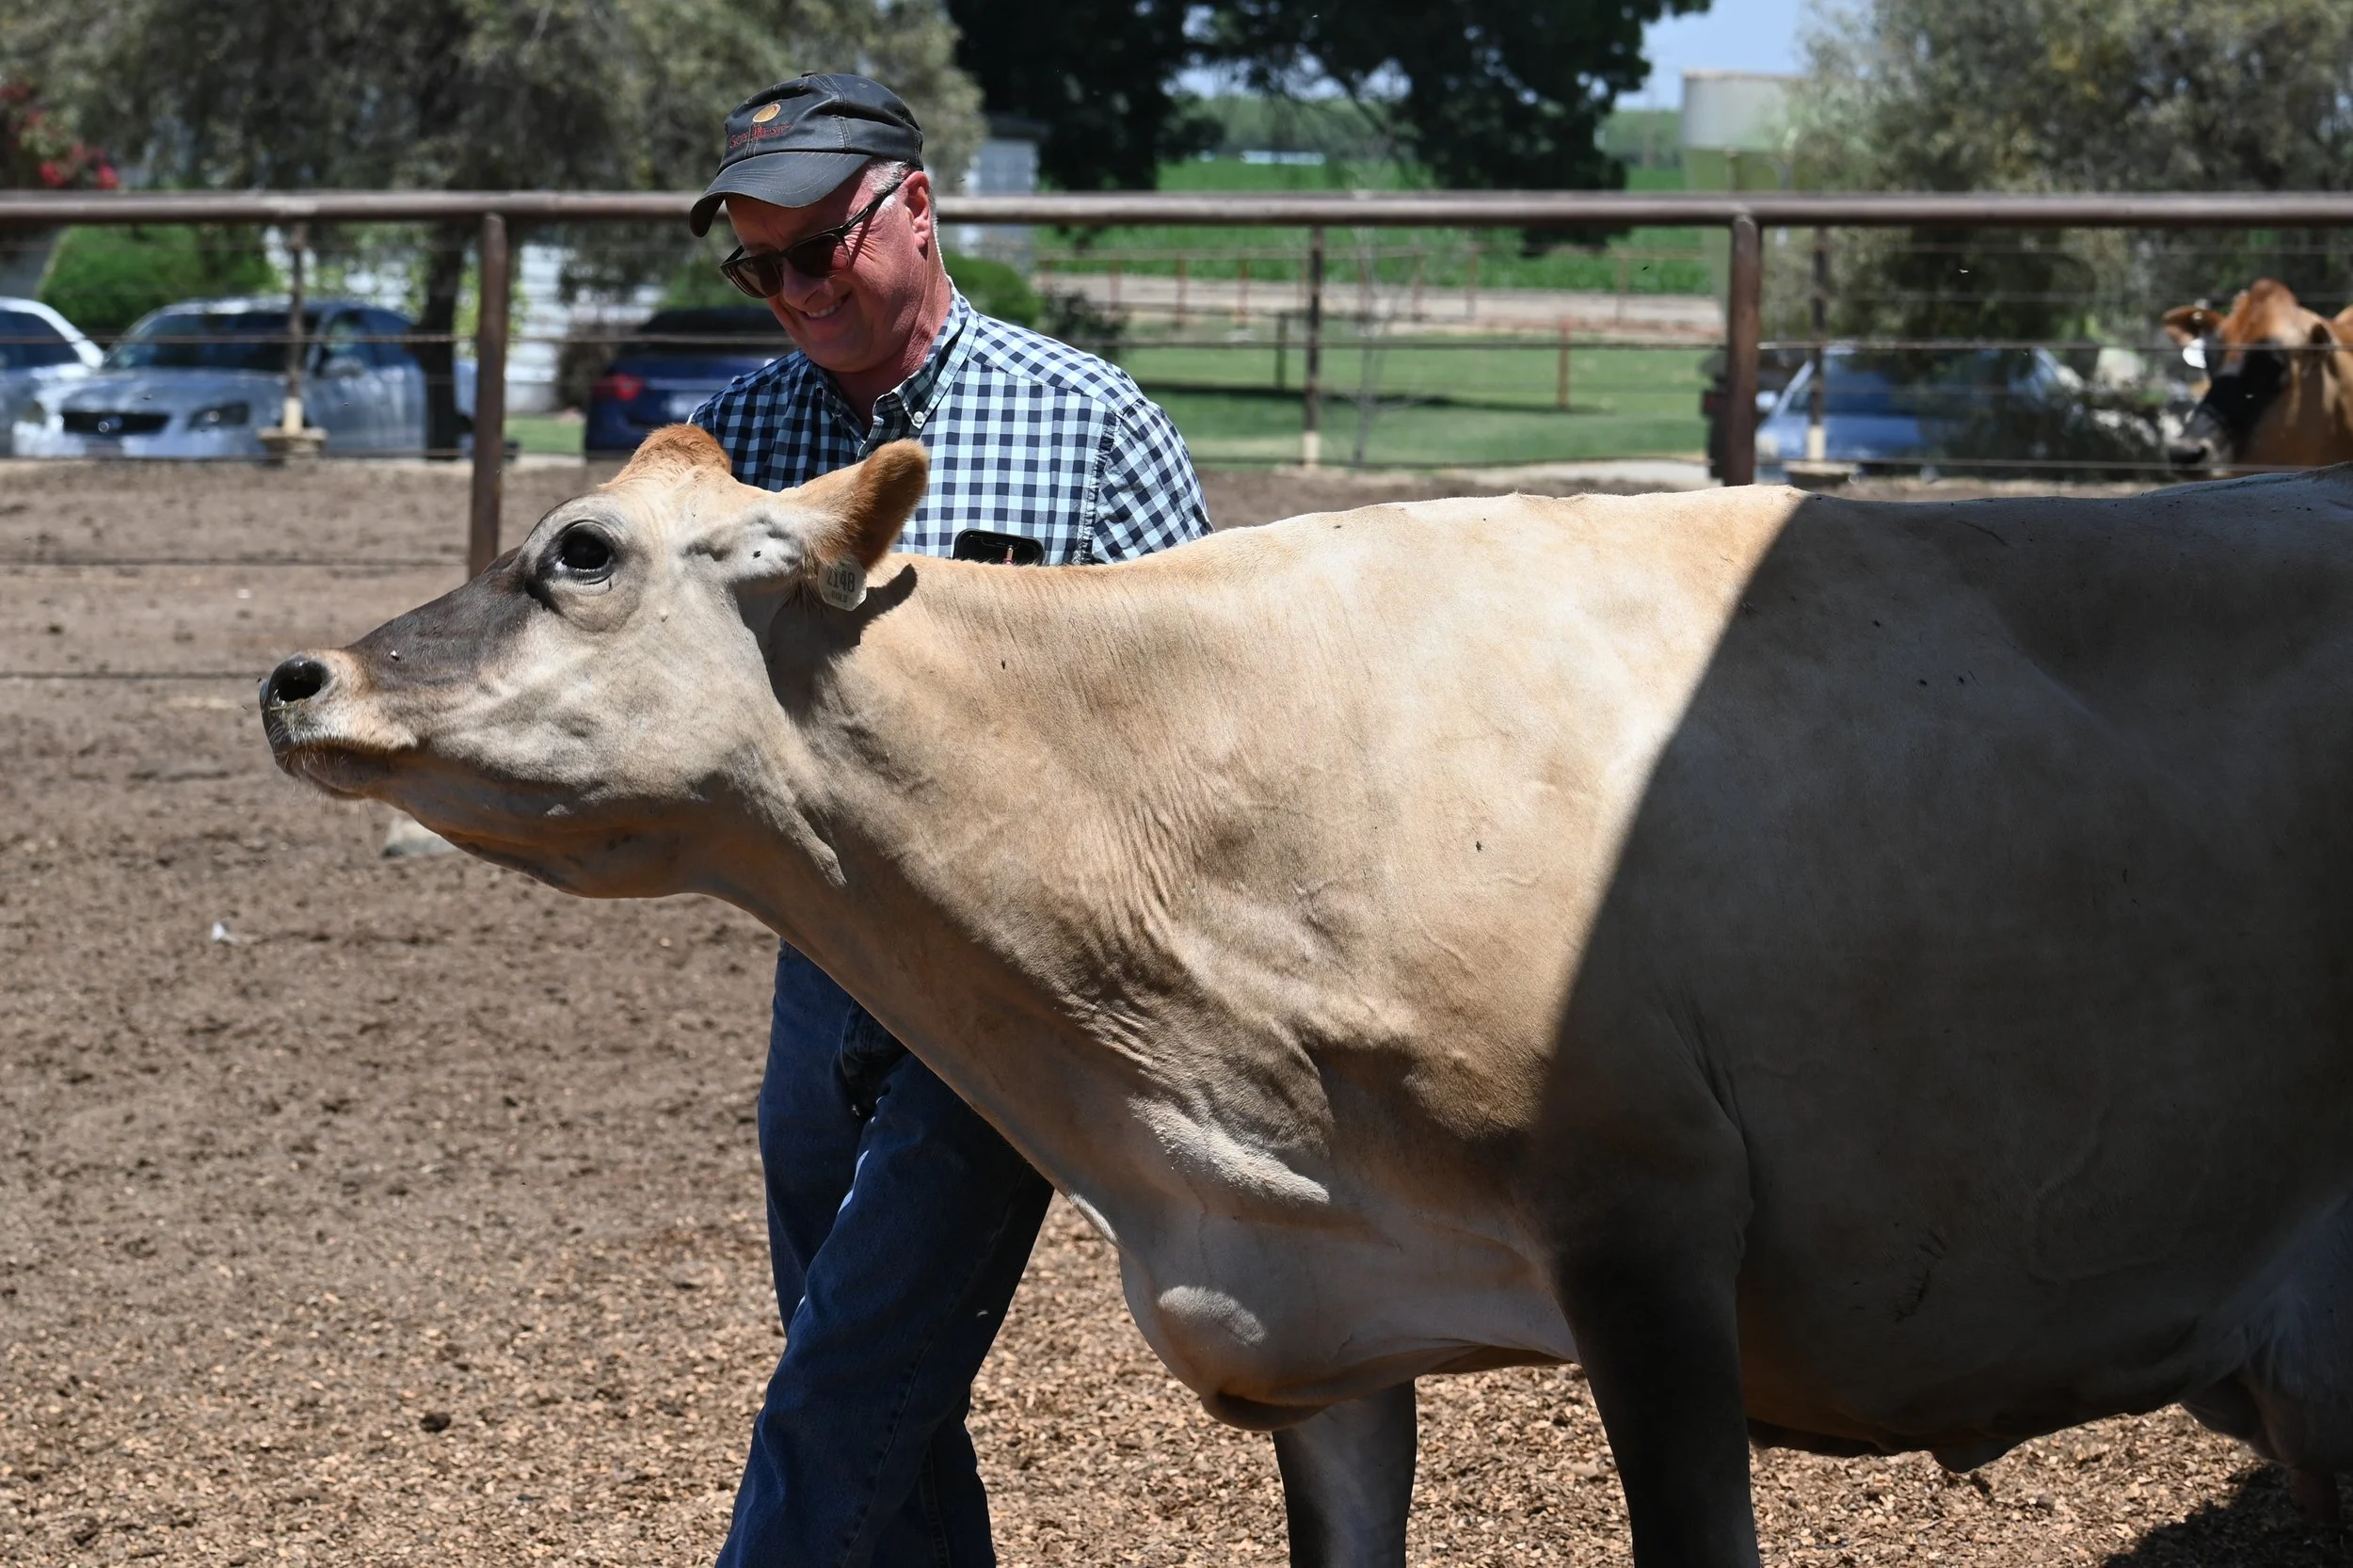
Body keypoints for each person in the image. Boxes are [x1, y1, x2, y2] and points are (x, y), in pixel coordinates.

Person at [683, 74, 1212, 1568]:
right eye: (759, 267)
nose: (791, 292)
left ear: (915, 205)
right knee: (871, 1364)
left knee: (849, 1371)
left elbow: (1205, 718)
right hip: (825, 961)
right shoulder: (734, 441)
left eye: (818, 250)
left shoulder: (1086, 424)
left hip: (1015, 980)